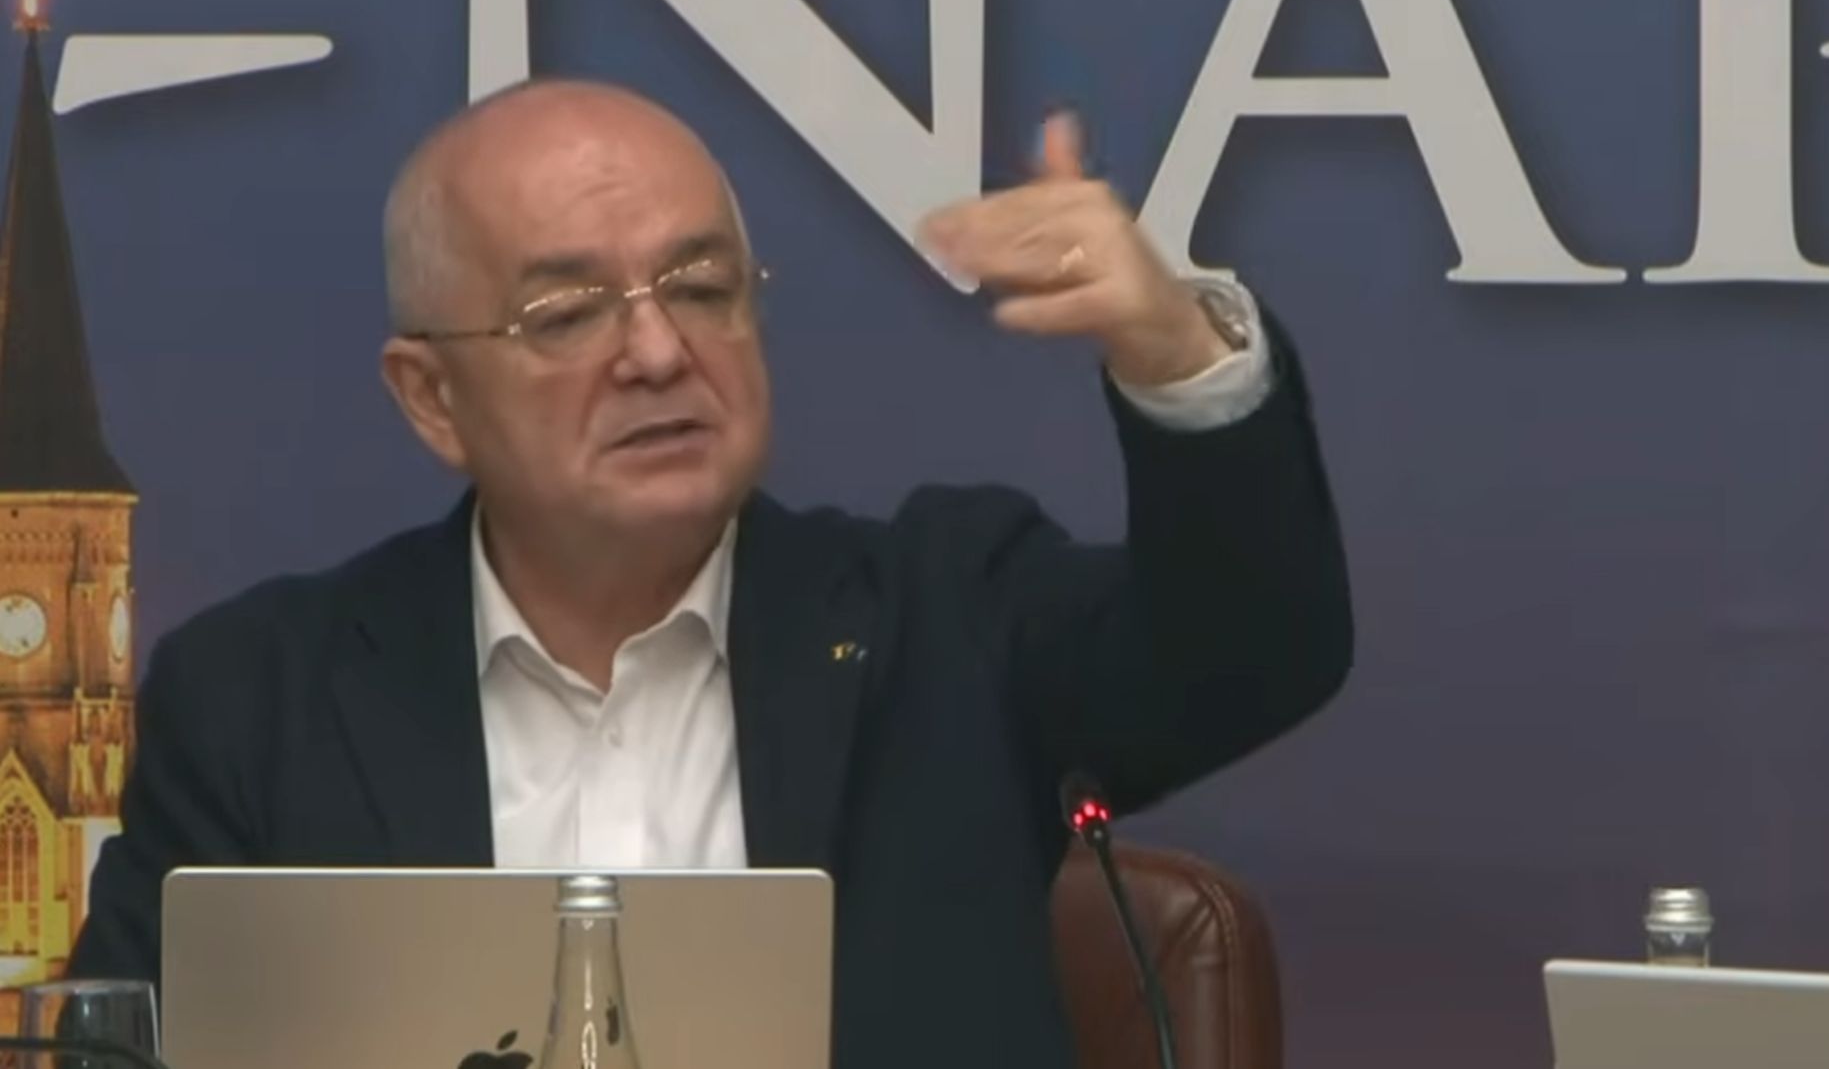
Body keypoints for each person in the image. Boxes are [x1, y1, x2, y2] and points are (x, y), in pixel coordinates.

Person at [66, 79, 1353, 1067]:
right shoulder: (259, 699)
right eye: (567, 314)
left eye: (700, 288)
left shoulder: (949, 617)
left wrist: (1174, 350)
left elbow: (1253, 650)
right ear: (432, 398)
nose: (657, 352)